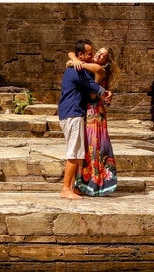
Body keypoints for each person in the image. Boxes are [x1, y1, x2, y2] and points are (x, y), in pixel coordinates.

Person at [57, 39, 112, 200]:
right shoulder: (77, 71)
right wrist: (105, 92)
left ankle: (73, 187)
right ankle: (65, 189)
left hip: (72, 113)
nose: (92, 55)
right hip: (72, 113)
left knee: (78, 152)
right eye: (89, 53)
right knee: (74, 153)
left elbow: (96, 73)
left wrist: (74, 59)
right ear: (81, 55)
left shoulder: (78, 68)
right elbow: (93, 86)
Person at [67, 47, 120, 196]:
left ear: (106, 61)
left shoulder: (98, 69)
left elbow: (92, 95)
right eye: (99, 51)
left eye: (103, 55)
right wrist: (75, 59)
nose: (99, 54)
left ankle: (90, 184)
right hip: (89, 114)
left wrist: (76, 62)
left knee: (93, 149)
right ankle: (83, 184)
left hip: (94, 115)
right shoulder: (91, 66)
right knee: (87, 149)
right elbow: (70, 54)